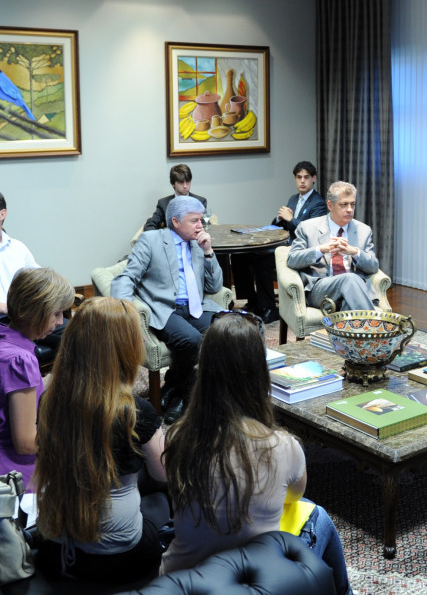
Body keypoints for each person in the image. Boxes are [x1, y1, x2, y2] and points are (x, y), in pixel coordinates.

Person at [161, 311, 352, 594]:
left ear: (204, 372)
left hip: (180, 578)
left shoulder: (176, 437)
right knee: (318, 515)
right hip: (251, 581)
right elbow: (294, 497)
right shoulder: (284, 446)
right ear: (259, 374)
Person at [32, 297, 171, 581]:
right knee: (161, 492)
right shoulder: (134, 410)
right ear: (124, 349)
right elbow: (165, 472)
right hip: (121, 559)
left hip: (53, 552)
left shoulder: (48, 400)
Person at [112, 196, 224, 424]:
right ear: (175, 221)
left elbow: (214, 287)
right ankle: (185, 397)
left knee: (231, 329)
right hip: (165, 309)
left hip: (196, 307)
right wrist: (126, 314)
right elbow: (127, 278)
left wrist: (209, 252)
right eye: (194, 221)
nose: (200, 225)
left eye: (201, 220)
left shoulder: (198, 244)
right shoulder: (151, 240)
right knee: (190, 339)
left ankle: (173, 384)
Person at [0, 267, 74, 490]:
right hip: (13, 472)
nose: (60, 322)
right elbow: (24, 443)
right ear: (36, 312)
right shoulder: (21, 361)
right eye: (57, 314)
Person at [231, 162, 327, 323]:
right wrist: (280, 218)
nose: (302, 181)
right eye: (299, 177)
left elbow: (311, 233)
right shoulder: (294, 199)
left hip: (300, 251)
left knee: (262, 261)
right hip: (284, 244)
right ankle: (252, 301)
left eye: (306, 177)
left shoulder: (318, 204)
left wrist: (291, 219)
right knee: (240, 254)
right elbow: (281, 225)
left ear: (314, 179)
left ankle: (269, 308)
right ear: (295, 179)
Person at [287, 180, 379, 311]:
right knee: (349, 279)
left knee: (349, 303)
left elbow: (373, 267)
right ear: (330, 205)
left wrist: (355, 252)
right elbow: (292, 259)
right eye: (344, 205)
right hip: (321, 289)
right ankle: (374, 325)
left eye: (352, 204)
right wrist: (321, 249)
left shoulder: (363, 230)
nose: (349, 209)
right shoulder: (308, 227)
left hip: (354, 290)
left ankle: (350, 331)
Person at [0, 192, 68, 351]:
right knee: (18, 352)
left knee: (80, 334)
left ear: (2, 213)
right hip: (4, 321)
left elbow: (42, 282)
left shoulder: (17, 248)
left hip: (31, 316)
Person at [143, 164, 208, 231]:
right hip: (171, 239)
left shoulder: (200, 201)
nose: (185, 186)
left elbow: (205, 225)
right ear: (173, 184)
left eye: (188, 182)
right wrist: (159, 238)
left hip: (193, 240)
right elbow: (150, 225)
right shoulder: (163, 203)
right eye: (181, 182)